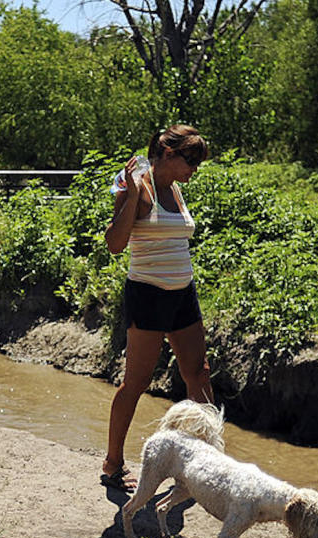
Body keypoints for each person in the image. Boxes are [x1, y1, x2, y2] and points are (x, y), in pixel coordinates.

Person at [100, 124, 213, 492]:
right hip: (148, 294)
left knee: (198, 372)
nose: (194, 169)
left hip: (183, 293)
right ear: (167, 152)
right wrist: (131, 194)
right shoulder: (135, 182)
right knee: (136, 382)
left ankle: (210, 459)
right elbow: (115, 244)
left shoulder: (175, 187)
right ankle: (113, 464)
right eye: (190, 160)